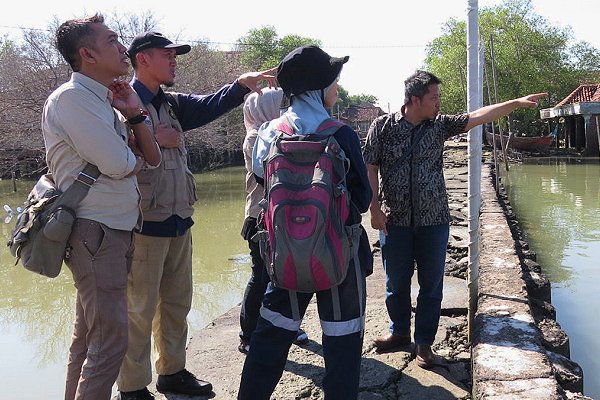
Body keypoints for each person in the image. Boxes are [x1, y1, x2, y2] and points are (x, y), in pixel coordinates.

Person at [115, 31, 276, 400]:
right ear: (142, 59)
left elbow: (207, 106)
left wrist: (240, 86)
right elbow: (112, 146)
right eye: (166, 54)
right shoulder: (122, 100)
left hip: (178, 220)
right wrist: (153, 135)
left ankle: (171, 372)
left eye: (175, 55)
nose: (174, 60)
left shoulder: (170, 103)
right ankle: (133, 387)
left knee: (176, 304)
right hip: (142, 224)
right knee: (138, 310)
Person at [364, 70, 547, 368]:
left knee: (431, 285)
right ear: (414, 99)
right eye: (434, 97)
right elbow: (370, 167)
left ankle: (424, 344)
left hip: (434, 220)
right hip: (393, 221)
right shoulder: (382, 126)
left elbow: (478, 116)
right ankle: (398, 333)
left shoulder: (439, 126)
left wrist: (514, 102)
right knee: (395, 283)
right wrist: (374, 209)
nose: (438, 103)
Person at [237, 45, 373, 400]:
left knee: (271, 333)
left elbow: (262, 182)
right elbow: (361, 197)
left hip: (285, 252)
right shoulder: (340, 133)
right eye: (334, 83)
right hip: (338, 251)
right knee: (342, 338)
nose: (337, 90)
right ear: (317, 87)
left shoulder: (268, 132)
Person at [42, 14, 161, 400]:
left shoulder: (105, 100)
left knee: (88, 340)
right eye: (112, 41)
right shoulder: (72, 100)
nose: (123, 47)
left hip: (109, 232)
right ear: (87, 53)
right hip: (96, 233)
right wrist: (134, 157)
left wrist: (134, 110)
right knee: (110, 344)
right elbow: (121, 164)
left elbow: (152, 158)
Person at [238, 88, 309, 355]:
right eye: (278, 103)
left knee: (285, 274)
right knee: (262, 275)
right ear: (263, 107)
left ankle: (286, 327)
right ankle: (248, 332)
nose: (283, 108)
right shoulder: (258, 136)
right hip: (260, 217)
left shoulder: (273, 131)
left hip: (279, 214)